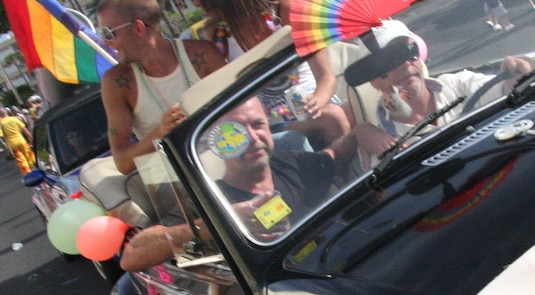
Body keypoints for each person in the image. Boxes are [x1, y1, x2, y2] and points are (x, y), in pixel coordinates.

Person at [120, 96, 362, 270]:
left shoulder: (292, 164)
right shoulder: (210, 201)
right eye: (234, 132)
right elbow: (132, 256)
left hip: (340, 262)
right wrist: (224, 222)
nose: (252, 138)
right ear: (217, 144)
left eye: (257, 125)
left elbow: (335, 154)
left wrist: (362, 133)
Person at [185, 0, 350, 149]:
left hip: (319, 108)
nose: (195, 2)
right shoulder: (217, 37)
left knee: (336, 115)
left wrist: (316, 101)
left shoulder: (285, 10)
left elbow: (326, 77)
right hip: (271, 131)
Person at [346, 20, 534, 164]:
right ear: (375, 80)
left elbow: (507, 90)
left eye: (410, 51)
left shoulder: (457, 85)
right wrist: (359, 131)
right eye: (391, 59)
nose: (405, 63)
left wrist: (520, 72)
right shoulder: (381, 147)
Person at [97, 0, 228, 175]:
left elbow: (244, 112)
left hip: (231, 163)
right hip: (184, 181)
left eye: (109, 33)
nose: (105, 42)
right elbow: (122, 162)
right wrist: (161, 132)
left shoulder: (202, 54)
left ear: (138, 28)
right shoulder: (116, 82)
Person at [0, 107, 36, 175]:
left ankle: (28, 173)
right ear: (7, 112)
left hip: (12, 145)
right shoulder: (14, 119)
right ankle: (34, 168)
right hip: (22, 141)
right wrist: (31, 138)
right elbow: (24, 129)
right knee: (29, 156)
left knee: (21, 160)